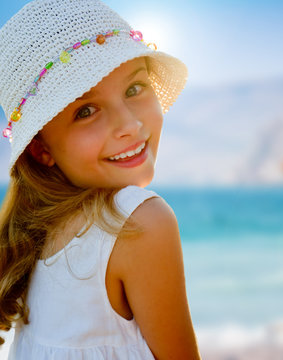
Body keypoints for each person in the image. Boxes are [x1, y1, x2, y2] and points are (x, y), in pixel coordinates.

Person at [0, 0, 200, 358]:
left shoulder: (33, 237)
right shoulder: (139, 222)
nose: (130, 126)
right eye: (86, 111)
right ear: (41, 149)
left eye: (135, 89)